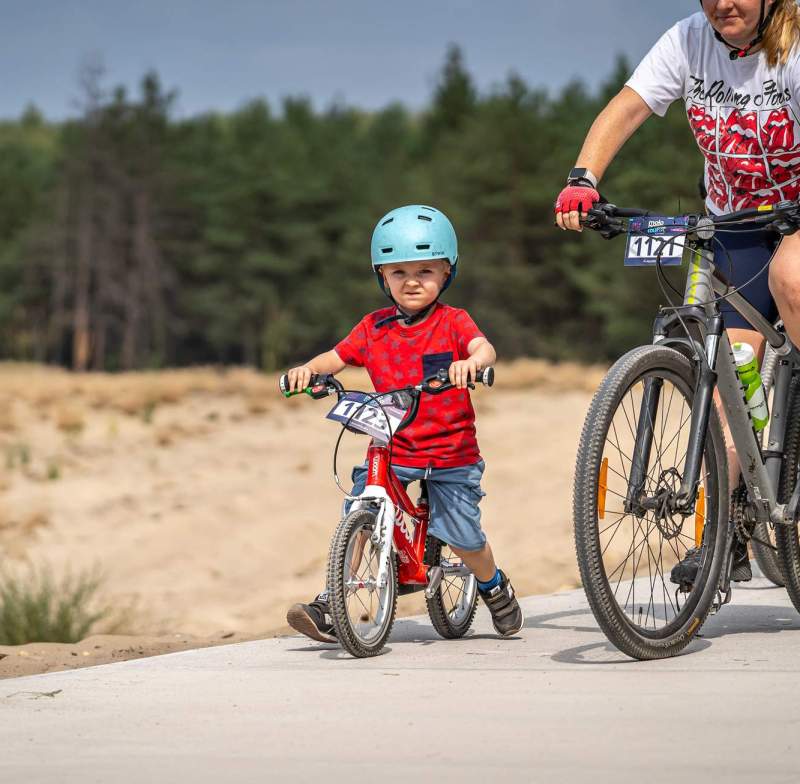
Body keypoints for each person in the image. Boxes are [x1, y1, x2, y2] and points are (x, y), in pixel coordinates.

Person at [555, 0, 800, 586]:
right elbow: (628, 107)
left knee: (790, 278)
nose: (723, 4)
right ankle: (728, 532)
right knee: (727, 373)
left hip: (797, 218)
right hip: (733, 223)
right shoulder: (689, 40)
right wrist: (583, 179)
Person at [284, 205, 524, 642]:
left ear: (446, 273)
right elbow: (334, 358)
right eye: (398, 272)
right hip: (395, 445)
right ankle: (330, 602)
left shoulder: (453, 322)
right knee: (360, 504)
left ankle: (493, 586)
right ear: (382, 276)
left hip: (451, 452)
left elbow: (483, 347)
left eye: (425, 270)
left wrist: (472, 363)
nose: (412, 281)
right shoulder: (373, 327)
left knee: (462, 535)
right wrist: (308, 370)